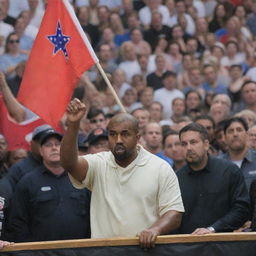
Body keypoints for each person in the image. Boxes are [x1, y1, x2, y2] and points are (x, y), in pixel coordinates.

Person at [60, 98, 184, 249]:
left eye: (125, 134)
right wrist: (73, 125)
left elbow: (174, 213)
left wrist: (155, 229)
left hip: (144, 251)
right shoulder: (99, 163)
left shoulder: (160, 168)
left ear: (138, 137)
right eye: (113, 134)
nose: (118, 140)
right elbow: (68, 164)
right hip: (104, 251)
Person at [8, 128, 91, 242]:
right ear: (41, 151)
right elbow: (17, 222)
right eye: (48, 145)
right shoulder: (28, 182)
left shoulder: (81, 177)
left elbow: (93, 215)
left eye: (58, 144)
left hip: (79, 250)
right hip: (41, 252)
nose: (54, 148)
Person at [177, 122, 250, 234]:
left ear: (206, 145)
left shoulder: (229, 171)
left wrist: (212, 229)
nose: (189, 148)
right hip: (187, 247)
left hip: (222, 244)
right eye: (184, 144)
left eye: (193, 142)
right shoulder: (176, 178)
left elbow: (241, 209)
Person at [219, 117, 256, 189]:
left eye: (239, 130)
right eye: (230, 131)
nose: (235, 134)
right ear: (225, 137)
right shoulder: (217, 164)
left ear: (247, 134)